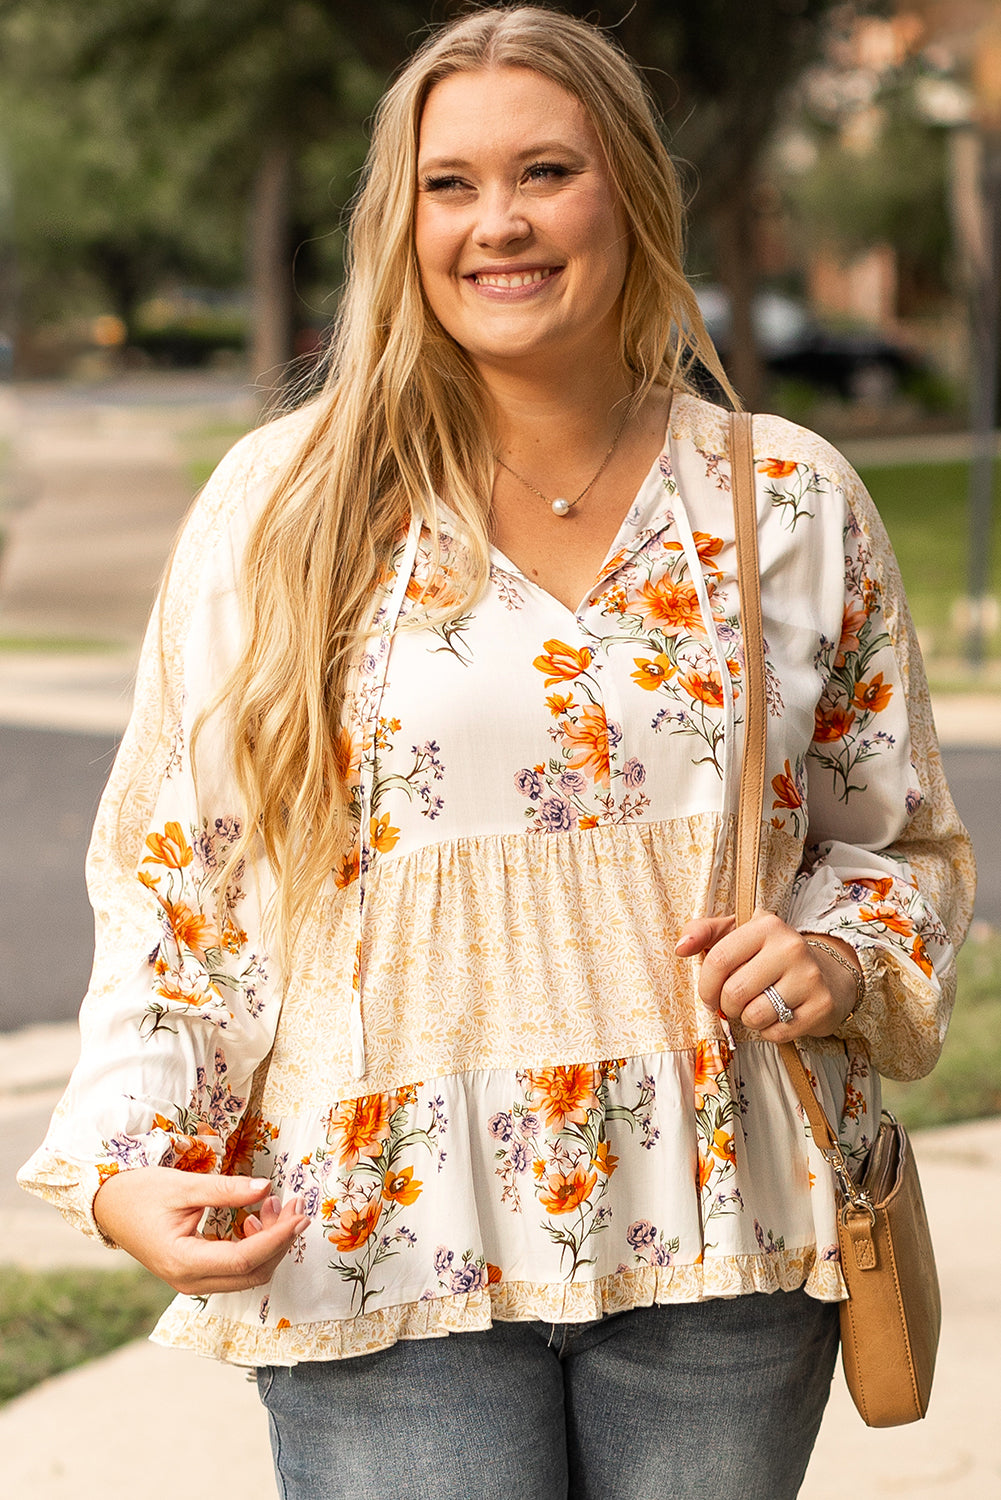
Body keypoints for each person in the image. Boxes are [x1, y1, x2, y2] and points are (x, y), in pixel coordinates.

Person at [20, 7, 973, 1498]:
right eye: (448, 184)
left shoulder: (785, 497)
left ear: (631, 197)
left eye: (546, 171)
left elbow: (892, 840)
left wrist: (837, 959)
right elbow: (175, 872)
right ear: (397, 222)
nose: (498, 223)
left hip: (719, 1223)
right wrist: (133, 1159)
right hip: (375, 1234)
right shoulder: (285, 504)